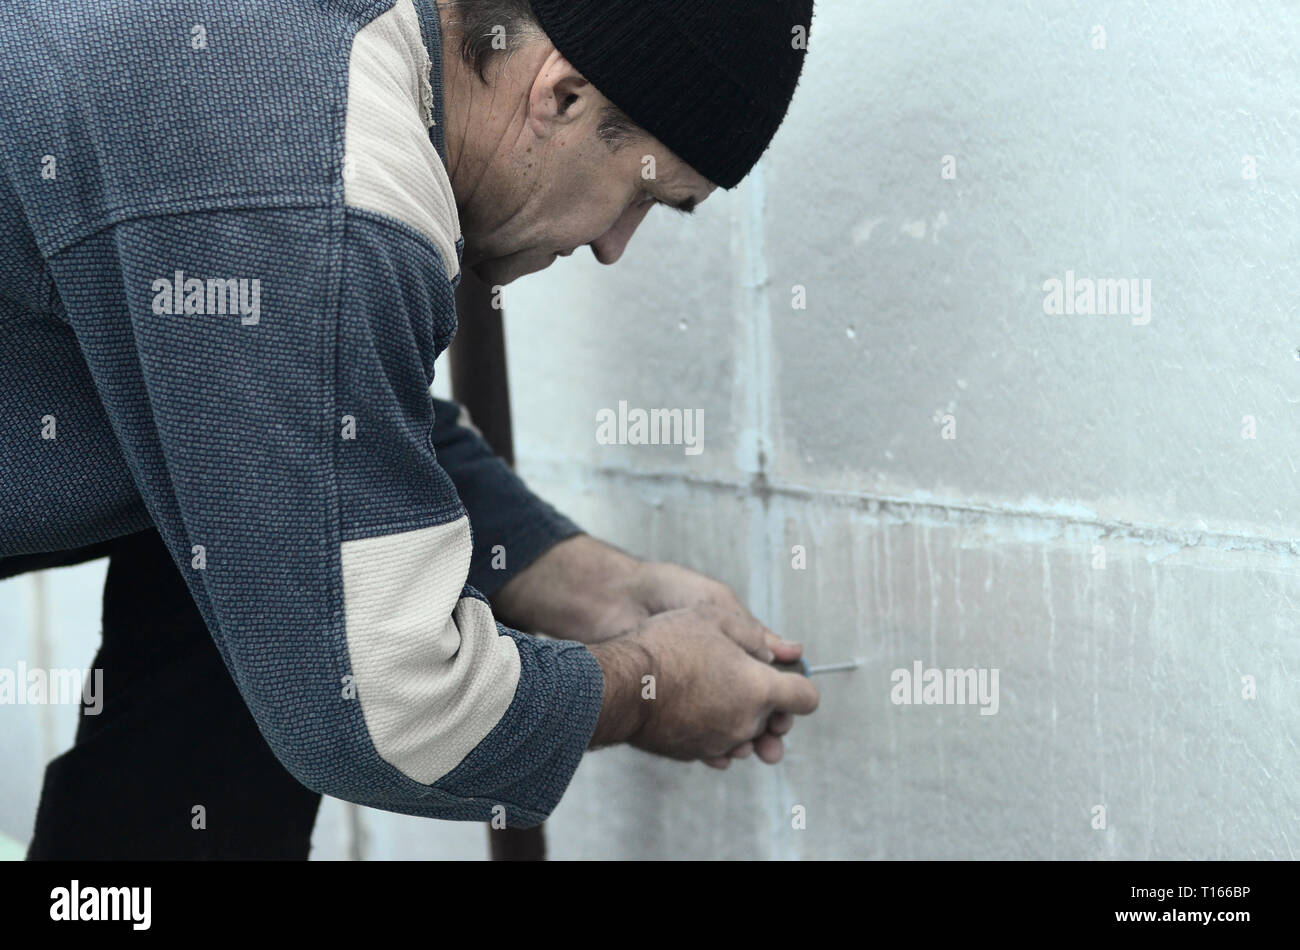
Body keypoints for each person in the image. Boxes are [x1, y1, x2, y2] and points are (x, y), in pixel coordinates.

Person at [0, 0, 819, 858]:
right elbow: (389, 709)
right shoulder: (314, 169)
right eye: (642, 193)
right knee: (314, 604)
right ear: (564, 96)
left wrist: (594, 585)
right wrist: (651, 685)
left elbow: (309, 424)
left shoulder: (314, 65)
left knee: (291, 559)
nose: (616, 244)